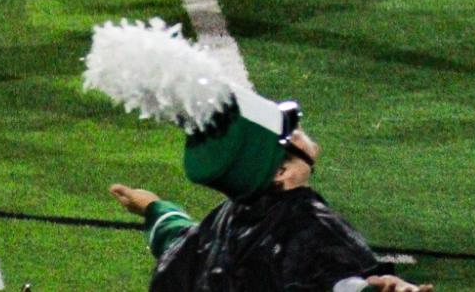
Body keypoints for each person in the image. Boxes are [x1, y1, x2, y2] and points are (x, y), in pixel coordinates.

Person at [88, 19, 431, 292]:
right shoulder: (312, 224)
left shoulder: (229, 219)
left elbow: (185, 246)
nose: (301, 133)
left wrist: (154, 208)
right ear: (281, 170)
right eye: (289, 133)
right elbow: (335, 280)